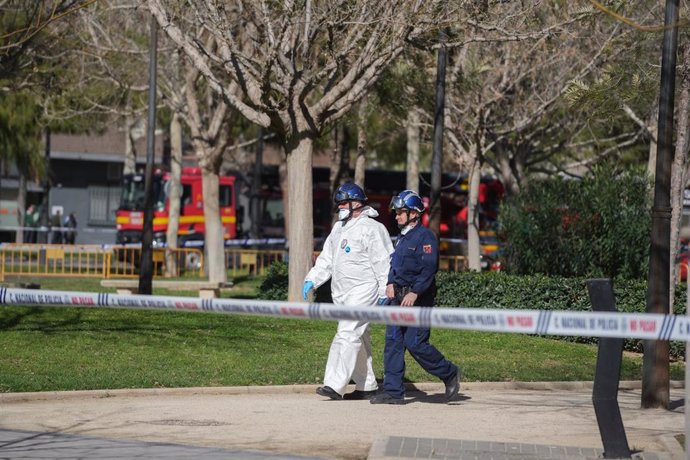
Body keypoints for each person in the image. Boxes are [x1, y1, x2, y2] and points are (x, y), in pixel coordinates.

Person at [303, 182, 394, 401]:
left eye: (344, 202)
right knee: (358, 337)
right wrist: (312, 279)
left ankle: (334, 385)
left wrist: (384, 290)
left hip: (365, 290)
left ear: (356, 203)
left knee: (346, 333)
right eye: (339, 203)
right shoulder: (339, 227)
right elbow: (327, 259)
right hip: (342, 292)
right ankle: (367, 385)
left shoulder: (373, 228)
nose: (341, 206)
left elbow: (384, 261)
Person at [370, 190, 460, 405]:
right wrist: (390, 283)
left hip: (417, 300)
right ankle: (393, 393)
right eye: (397, 212)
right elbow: (394, 265)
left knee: (416, 344)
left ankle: (449, 373)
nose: (396, 216)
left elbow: (429, 269)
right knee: (393, 343)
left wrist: (414, 292)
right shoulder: (402, 238)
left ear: (414, 213)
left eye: (401, 212)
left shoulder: (425, 236)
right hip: (397, 299)